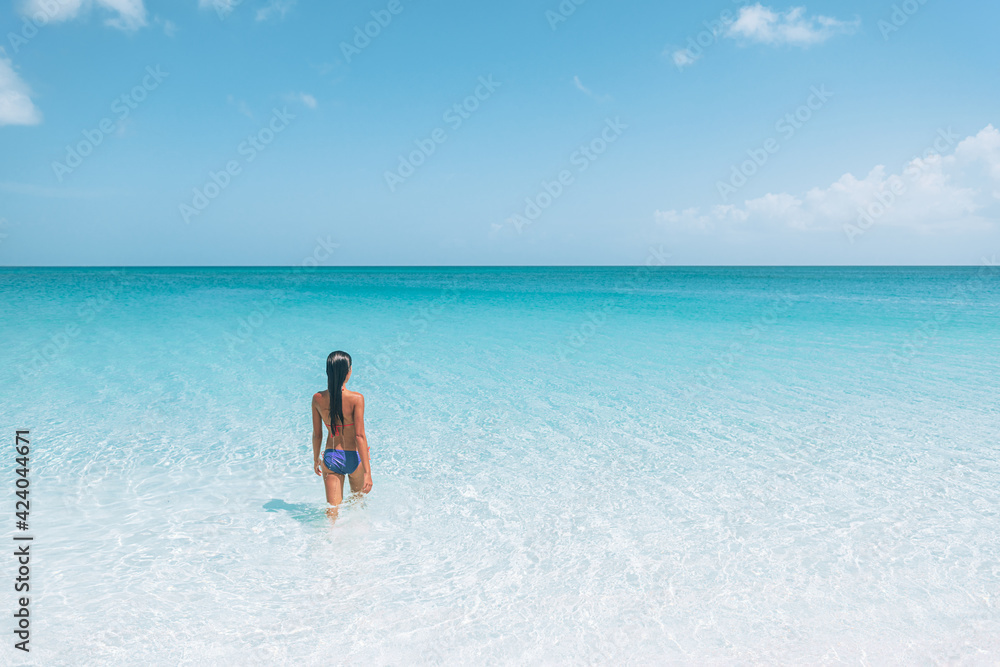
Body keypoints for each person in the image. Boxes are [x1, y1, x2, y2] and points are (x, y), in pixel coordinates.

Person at [311, 350, 372, 521]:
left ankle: (329, 542)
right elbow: (359, 436)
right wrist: (367, 472)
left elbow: (317, 435)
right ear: (349, 371)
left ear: (327, 372)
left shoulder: (318, 398)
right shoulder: (357, 398)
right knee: (357, 506)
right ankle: (358, 542)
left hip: (331, 458)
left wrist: (316, 459)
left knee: (332, 511)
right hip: (355, 457)